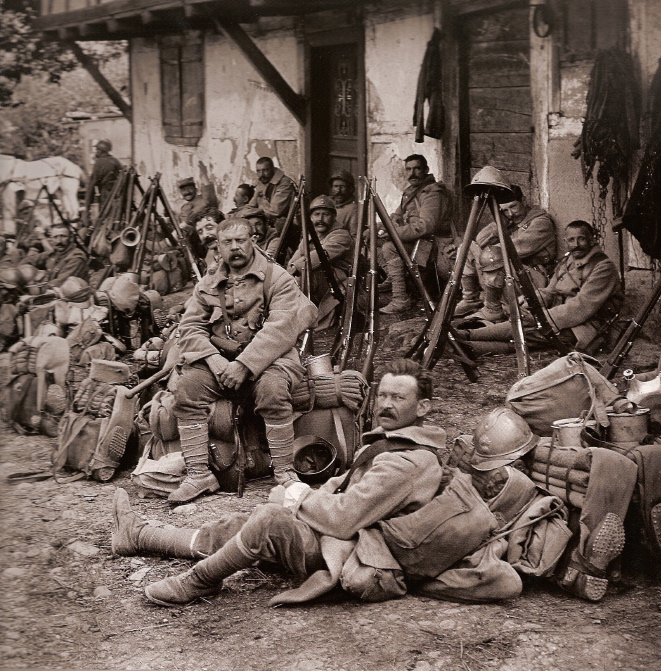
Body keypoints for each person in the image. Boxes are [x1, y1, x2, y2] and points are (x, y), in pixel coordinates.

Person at [111, 358, 445, 607]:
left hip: (354, 554)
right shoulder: (392, 441)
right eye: (383, 395)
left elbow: (345, 518)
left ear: (423, 407)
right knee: (248, 523)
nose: (386, 404)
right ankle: (139, 536)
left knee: (269, 520)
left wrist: (294, 495)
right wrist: (298, 499)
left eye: (398, 398)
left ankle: (201, 581)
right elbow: (343, 486)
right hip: (344, 535)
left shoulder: (408, 460)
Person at [166, 215, 317, 503]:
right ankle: (199, 475)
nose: (235, 247)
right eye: (227, 242)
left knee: (272, 390)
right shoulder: (209, 282)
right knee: (187, 389)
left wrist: (244, 365)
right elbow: (189, 326)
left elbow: (281, 328)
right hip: (220, 361)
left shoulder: (277, 277)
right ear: (218, 247)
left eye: (240, 240)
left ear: (253, 242)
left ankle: (285, 473)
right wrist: (213, 359)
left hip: (271, 358)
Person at [459, 220, 623, 355]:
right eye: (571, 240)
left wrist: (541, 318)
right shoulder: (568, 262)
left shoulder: (603, 267)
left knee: (525, 334)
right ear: (565, 242)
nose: (576, 244)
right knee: (523, 327)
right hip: (561, 319)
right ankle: (464, 341)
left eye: (582, 239)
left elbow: (580, 308)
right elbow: (550, 291)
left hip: (586, 326)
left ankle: (467, 340)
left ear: (592, 240)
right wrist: (531, 301)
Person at [455, 184, 557, 321]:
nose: (510, 214)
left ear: (524, 201)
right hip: (513, 272)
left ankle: (493, 309)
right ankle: (470, 299)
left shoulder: (541, 223)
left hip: (534, 278)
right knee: (466, 247)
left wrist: (489, 251)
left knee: (493, 257)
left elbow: (512, 249)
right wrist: (500, 222)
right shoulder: (510, 220)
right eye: (505, 210)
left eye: (513, 206)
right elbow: (480, 239)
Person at [380, 154, 454, 314]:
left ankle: (400, 299)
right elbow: (396, 216)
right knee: (377, 239)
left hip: (435, 245)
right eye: (408, 169)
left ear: (426, 170)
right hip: (418, 242)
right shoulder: (411, 191)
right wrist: (377, 228)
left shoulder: (433, 193)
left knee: (390, 247)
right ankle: (394, 280)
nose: (412, 173)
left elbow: (426, 226)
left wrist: (392, 233)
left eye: (417, 169)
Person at [287, 195, 353, 327]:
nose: (320, 219)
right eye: (316, 214)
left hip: (338, 283)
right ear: (311, 217)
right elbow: (294, 260)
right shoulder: (311, 235)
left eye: (326, 214)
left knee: (304, 274)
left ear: (334, 217)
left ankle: (303, 318)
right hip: (320, 281)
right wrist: (289, 271)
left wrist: (295, 268)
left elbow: (321, 255)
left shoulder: (341, 235)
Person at [23, 224, 89, 288]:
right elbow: (29, 260)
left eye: (63, 236)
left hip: (69, 296)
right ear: (51, 240)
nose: (59, 241)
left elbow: (59, 284)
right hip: (51, 291)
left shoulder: (76, 258)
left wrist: (34, 286)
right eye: (55, 237)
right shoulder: (55, 253)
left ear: (71, 238)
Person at [248, 157, 296, 235]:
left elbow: (275, 211)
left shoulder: (284, 183)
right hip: (267, 219)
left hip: (283, 225)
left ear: (273, 169)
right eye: (258, 171)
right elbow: (251, 205)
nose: (261, 175)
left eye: (265, 170)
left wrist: (252, 211)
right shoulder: (263, 181)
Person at [82, 140, 122, 223]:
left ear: (101, 151)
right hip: (118, 197)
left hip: (106, 196)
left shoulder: (99, 163)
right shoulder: (116, 161)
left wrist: (87, 207)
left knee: (105, 220)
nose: (96, 152)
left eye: (97, 150)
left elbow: (92, 185)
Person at [329, 170, 358, 236]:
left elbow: (354, 235)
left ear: (350, 188)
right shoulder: (327, 204)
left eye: (342, 186)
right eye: (336, 186)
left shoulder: (353, 209)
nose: (338, 191)